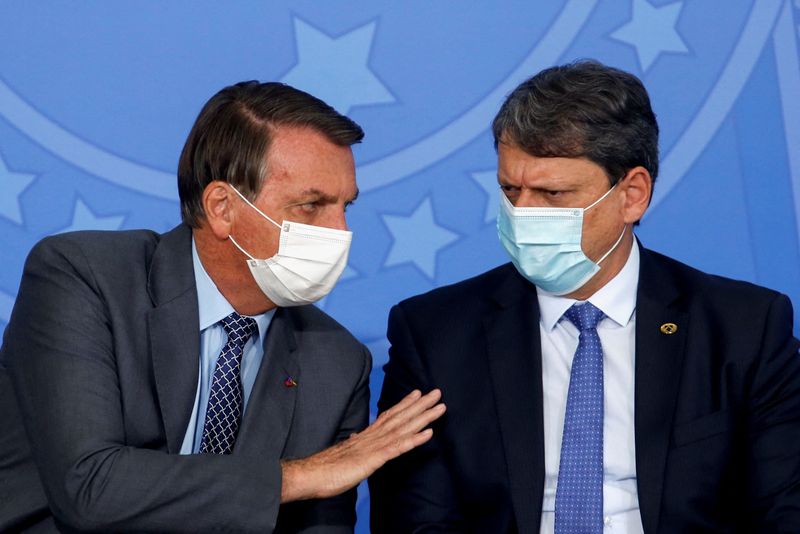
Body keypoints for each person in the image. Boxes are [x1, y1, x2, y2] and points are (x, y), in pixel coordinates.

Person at [369, 60, 800, 533]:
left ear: (632, 194)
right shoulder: (434, 334)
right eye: (511, 191)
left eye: (553, 194)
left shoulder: (744, 328)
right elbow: (414, 519)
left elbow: (782, 510)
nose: (523, 215)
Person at [0, 81, 445, 533]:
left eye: (345, 206)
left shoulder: (337, 361)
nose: (340, 231)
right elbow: (90, 489)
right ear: (222, 207)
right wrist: (299, 476)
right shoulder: (84, 278)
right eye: (312, 206)